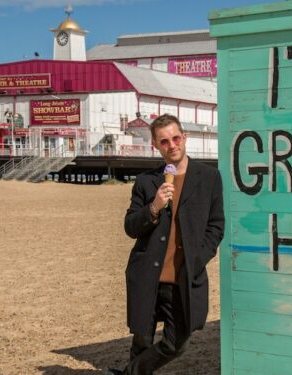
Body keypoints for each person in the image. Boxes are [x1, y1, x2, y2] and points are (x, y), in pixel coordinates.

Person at [108, 114, 224, 375]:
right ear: (155, 145)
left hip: (184, 276)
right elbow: (130, 227)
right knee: (142, 340)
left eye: (175, 138)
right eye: (164, 141)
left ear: (184, 137)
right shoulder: (146, 181)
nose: (171, 145)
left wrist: (197, 259)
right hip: (147, 273)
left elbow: (216, 226)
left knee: (177, 343)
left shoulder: (209, 177)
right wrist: (154, 207)